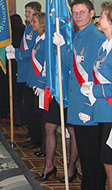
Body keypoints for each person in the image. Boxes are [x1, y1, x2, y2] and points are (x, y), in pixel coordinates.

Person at [56, 0, 106, 189]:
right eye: (75, 13)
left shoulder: (96, 38)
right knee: (85, 156)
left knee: (93, 157)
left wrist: (88, 106)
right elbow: (72, 63)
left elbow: (96, 75)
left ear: (92, 14)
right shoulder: (78, 35)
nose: (77, 16)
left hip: (89, 107)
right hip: (78, 103)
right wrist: (61, 47)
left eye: (82, 12)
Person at [24, 12, 78, 182]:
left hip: (67, 88)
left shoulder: (65, 37)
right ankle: (49, 166)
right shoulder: (43, 40)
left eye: (34, 21)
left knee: (72, 130)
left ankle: (71, 168)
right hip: (53, 88)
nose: (31, 24)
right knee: (49, 127)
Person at [7, 1, 43, 150]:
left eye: (29, 11)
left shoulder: (37, 30)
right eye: (26, 11)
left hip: (32, 71)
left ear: (36, 12)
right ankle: (33, 135)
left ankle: (37, 139)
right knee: (28, 108)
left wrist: (16, 53)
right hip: (25, 71)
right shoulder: (28, 28)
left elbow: (34, 52)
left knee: (33, 109)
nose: (26, 14)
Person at [83, 2, 112, 186]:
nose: (98, 19)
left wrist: (93, 90)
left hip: (110, 110)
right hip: (103, 111)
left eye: (102, 16)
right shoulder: (105, 46)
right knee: (107, 161)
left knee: (109, 160)